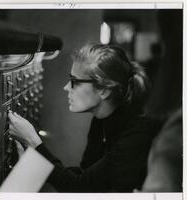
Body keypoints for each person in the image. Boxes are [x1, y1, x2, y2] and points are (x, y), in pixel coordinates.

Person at [8, 43, 158, 192]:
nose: (66, 87)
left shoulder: (136, 136)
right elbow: (86, 177)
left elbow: (80, 189)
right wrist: (35, 161)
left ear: (104, 90)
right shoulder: (101, 119)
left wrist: (33, 142)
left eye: (74, 81)